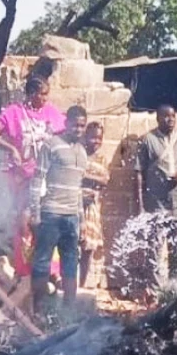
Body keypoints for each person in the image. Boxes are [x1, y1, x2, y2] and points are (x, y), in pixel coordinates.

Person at [0, 77, 67, 281]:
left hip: (47, 179)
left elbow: (66, 134)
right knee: (25, 223)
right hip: (22, 178)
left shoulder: (51, 113)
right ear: (30, 94)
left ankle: (50, 271)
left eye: (47, 94)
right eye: (41, 94)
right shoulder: (14, 112)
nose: (45, 98)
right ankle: (25, 271)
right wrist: (11, 148)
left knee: (47, 222)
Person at [28, 106, 90, 313]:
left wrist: (81, 222)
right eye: (75, 124)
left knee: (71, 264)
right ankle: (38, 311)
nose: (79, 129)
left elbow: (79, 189)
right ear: (66, 123)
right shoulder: (51, 145)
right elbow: (37, 179)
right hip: (51, 213)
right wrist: (35, 213)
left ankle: (67, 314)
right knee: (42, 262)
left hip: (72, 217)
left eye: (82, 125)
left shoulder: (82, 152)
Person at [134, 104, 177, 277]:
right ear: (158, 118)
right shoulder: (147, 140)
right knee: (154, 248)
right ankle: (154, 291)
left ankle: (173, 291)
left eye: (173, 116)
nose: (171, 120)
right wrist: (140, 204)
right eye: (166, 116)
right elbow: (138, 172)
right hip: (156, 202)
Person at [79, 122, 109, 289]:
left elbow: (104, 179)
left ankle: (81, 286)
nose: (96, 141)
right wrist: (90, 177)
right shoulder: (79, 154)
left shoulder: (102, 159)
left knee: (88, 249)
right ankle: (68, 286)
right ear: (85, 136)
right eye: (92, 137)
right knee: (72, 246)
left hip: (92, 208)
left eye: (99, 138)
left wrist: (86, 176)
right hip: (76, 205)